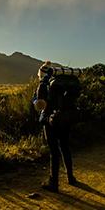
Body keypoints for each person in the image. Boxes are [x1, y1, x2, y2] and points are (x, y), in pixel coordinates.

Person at [34, 61, 80, 192]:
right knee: (65, 147)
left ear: (42, 74)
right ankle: (71, 177)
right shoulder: (61, 84)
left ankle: (53, 183)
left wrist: (37, 101)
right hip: (65, 119)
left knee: (54, 152)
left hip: (51, 121)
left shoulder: (44, 84)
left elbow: (40, 105)